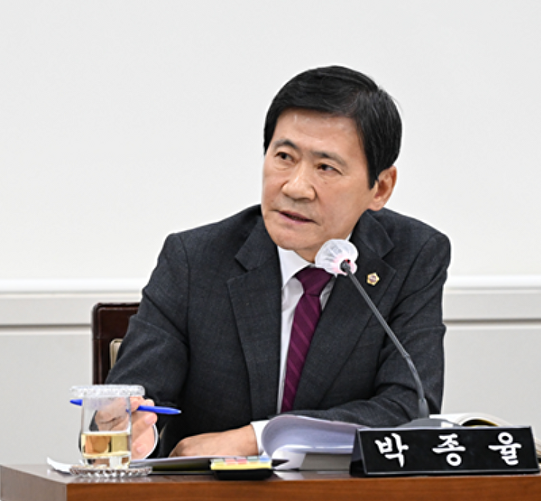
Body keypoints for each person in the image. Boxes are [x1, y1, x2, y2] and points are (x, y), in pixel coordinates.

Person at [106, 65, 451, 459]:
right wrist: (131, 428)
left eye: (326, 167)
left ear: (381, 187)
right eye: (284, 157)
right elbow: (133, 403)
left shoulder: (413, 256)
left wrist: (259, 437)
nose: (296, 187)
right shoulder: (194, 260)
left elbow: (408, 408)